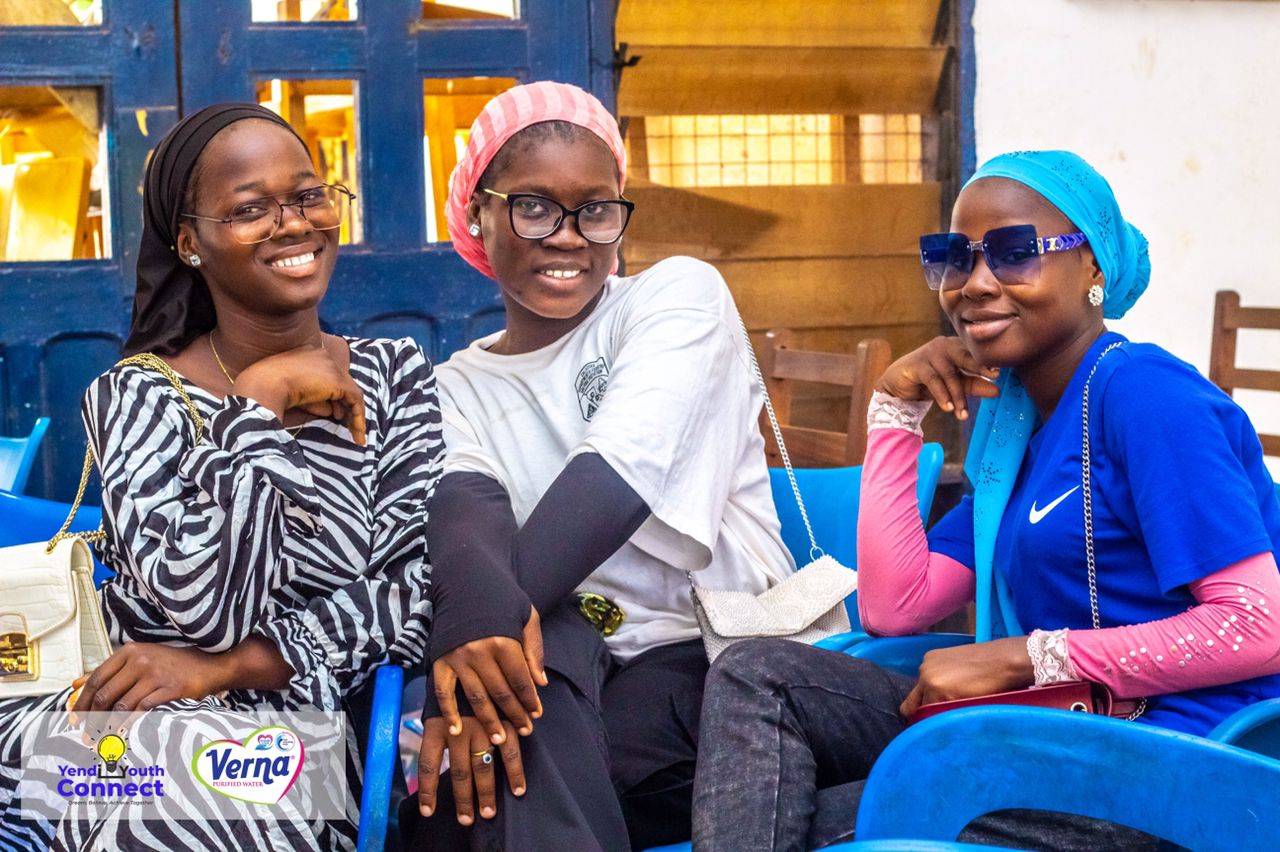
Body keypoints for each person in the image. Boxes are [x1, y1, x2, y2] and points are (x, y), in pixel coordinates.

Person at [692, 150, 1280, 850]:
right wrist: (893, 413)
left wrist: (1021, 658)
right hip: (1052, 727)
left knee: (805, 816)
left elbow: (1256, 624)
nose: (973, 284)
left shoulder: (1146, 396)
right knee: (760, 677)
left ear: (1092, 268)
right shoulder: (1019, 431)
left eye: (1013, 253)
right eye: (953, 257)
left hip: (1180, 758)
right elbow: (895, 606)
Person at [0, 103, 440, 850]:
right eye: (249, 209)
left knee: (216, 793)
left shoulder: (393, 374)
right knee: (169, 790)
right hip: (108, 713)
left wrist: (229, 668)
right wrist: (258, 405)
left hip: (291, 729)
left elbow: (411, 596)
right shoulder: (136, 395)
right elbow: (207, 605)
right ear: (189, 242)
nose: (294, 223)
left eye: (307, 195)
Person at [398, 81, 793, 850]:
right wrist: (476, 639)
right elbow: (465, 516)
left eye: (596, 208)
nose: (569, 236)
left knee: (474, 776)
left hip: (707, 662)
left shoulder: (675, 298)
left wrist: (471, 659)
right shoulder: (454, 384)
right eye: (534, 206)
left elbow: (616, 482)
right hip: (560, 663)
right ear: (478, 211)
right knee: (517, 714)